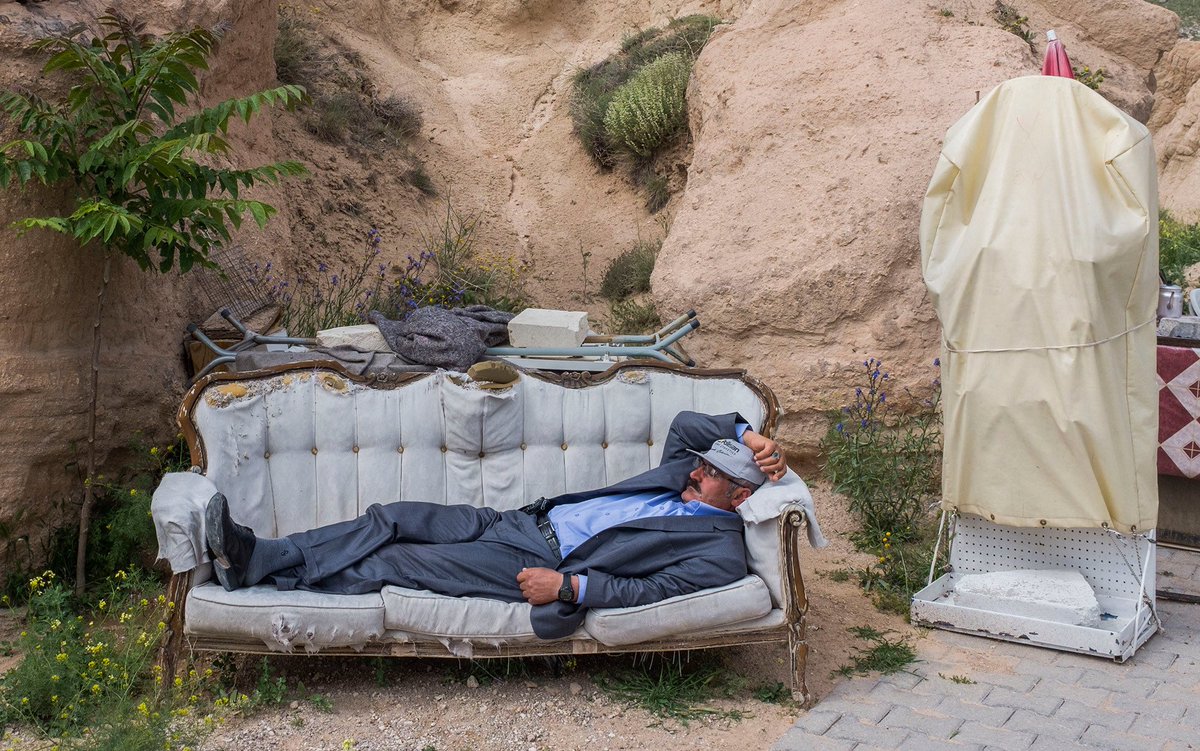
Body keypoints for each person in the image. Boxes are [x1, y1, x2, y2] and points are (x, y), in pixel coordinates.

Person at [205, 410, 786, 639]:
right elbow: (686, 425)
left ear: (740, 497)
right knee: (394, 516)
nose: (695, 472)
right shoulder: (685, 475)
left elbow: (651, 591)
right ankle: (264, 556)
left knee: (399, 561)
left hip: (536, 560)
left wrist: (569, 587)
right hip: (516, 519)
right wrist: (749, 437)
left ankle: (265, 572)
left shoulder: (718, 551)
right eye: (700, 464)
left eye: (711, 473)